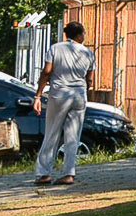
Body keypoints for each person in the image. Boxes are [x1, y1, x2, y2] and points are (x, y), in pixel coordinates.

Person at [33, 20, 96, 186]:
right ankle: (69, 173)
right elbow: (89, 79)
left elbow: (47, 73)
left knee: (52, 133)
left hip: (58, 94)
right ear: (79, 35)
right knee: (73, 136)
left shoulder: (55, 48)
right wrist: (83, 91)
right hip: (79, 95)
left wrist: (38, 95)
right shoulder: (89, 53)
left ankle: (44, 173)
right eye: (83, 33)